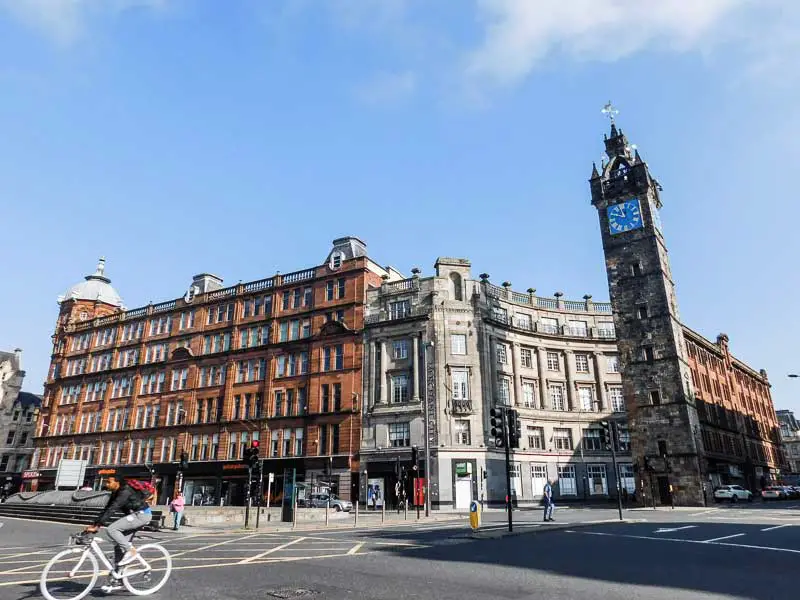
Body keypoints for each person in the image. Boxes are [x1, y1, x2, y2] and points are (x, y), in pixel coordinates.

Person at [83, 476, 154, 593]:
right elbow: (108, 508)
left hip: (142, 515)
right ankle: (118, 579)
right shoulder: (116, 492)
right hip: (134, 516)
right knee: (118, 546)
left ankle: (131, 552)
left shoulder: (124, 491)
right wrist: (95, 524)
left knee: (111, 529)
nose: (107, 484)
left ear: (117, 482)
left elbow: (114, 507)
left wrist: (98, 525)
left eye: (109, 481)